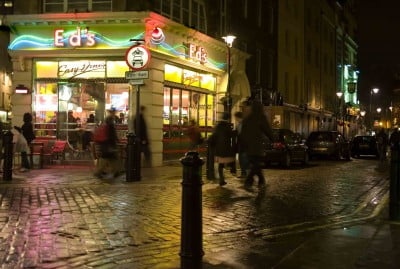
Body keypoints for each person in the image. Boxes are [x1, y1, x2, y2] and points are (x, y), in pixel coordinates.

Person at [241, 101, 273, 187]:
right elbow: (267, 130)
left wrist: (243, 145)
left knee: (255, 164)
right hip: (257, 146)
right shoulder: (261, 117)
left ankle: (260, 181)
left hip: (248, 147)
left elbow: (242, 134)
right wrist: (272, 138)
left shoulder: (247, 119)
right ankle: (250, 181)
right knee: (256, 164)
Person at [208, 112, 235, 186]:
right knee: (224, 163)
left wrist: (210, 142)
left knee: (220, 165)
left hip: (219, 149)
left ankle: (221, 179)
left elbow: (214, 136)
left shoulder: (218, 126)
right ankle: (228, 174)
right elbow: (231, 135)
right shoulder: (228, 126)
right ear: (228, 118)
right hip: (226, 148)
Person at [93, 109, 120, 178]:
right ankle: (99, 171)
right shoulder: (110, 123)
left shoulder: (106, 121)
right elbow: (112, 134)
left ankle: (115, 171)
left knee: (110, 158)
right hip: (108, 143)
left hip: (105, 143)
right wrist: (116, 141)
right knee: (108, 158)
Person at [234, 111, 248, 178]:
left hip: (244, 145)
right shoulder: (238, 124)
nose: (235, 119)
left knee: (243, 159)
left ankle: (244, 173)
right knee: (241, 159)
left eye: (236, 117)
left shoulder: (244, 124)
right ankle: (243, 173)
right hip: (240, 145)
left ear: (238, 117)